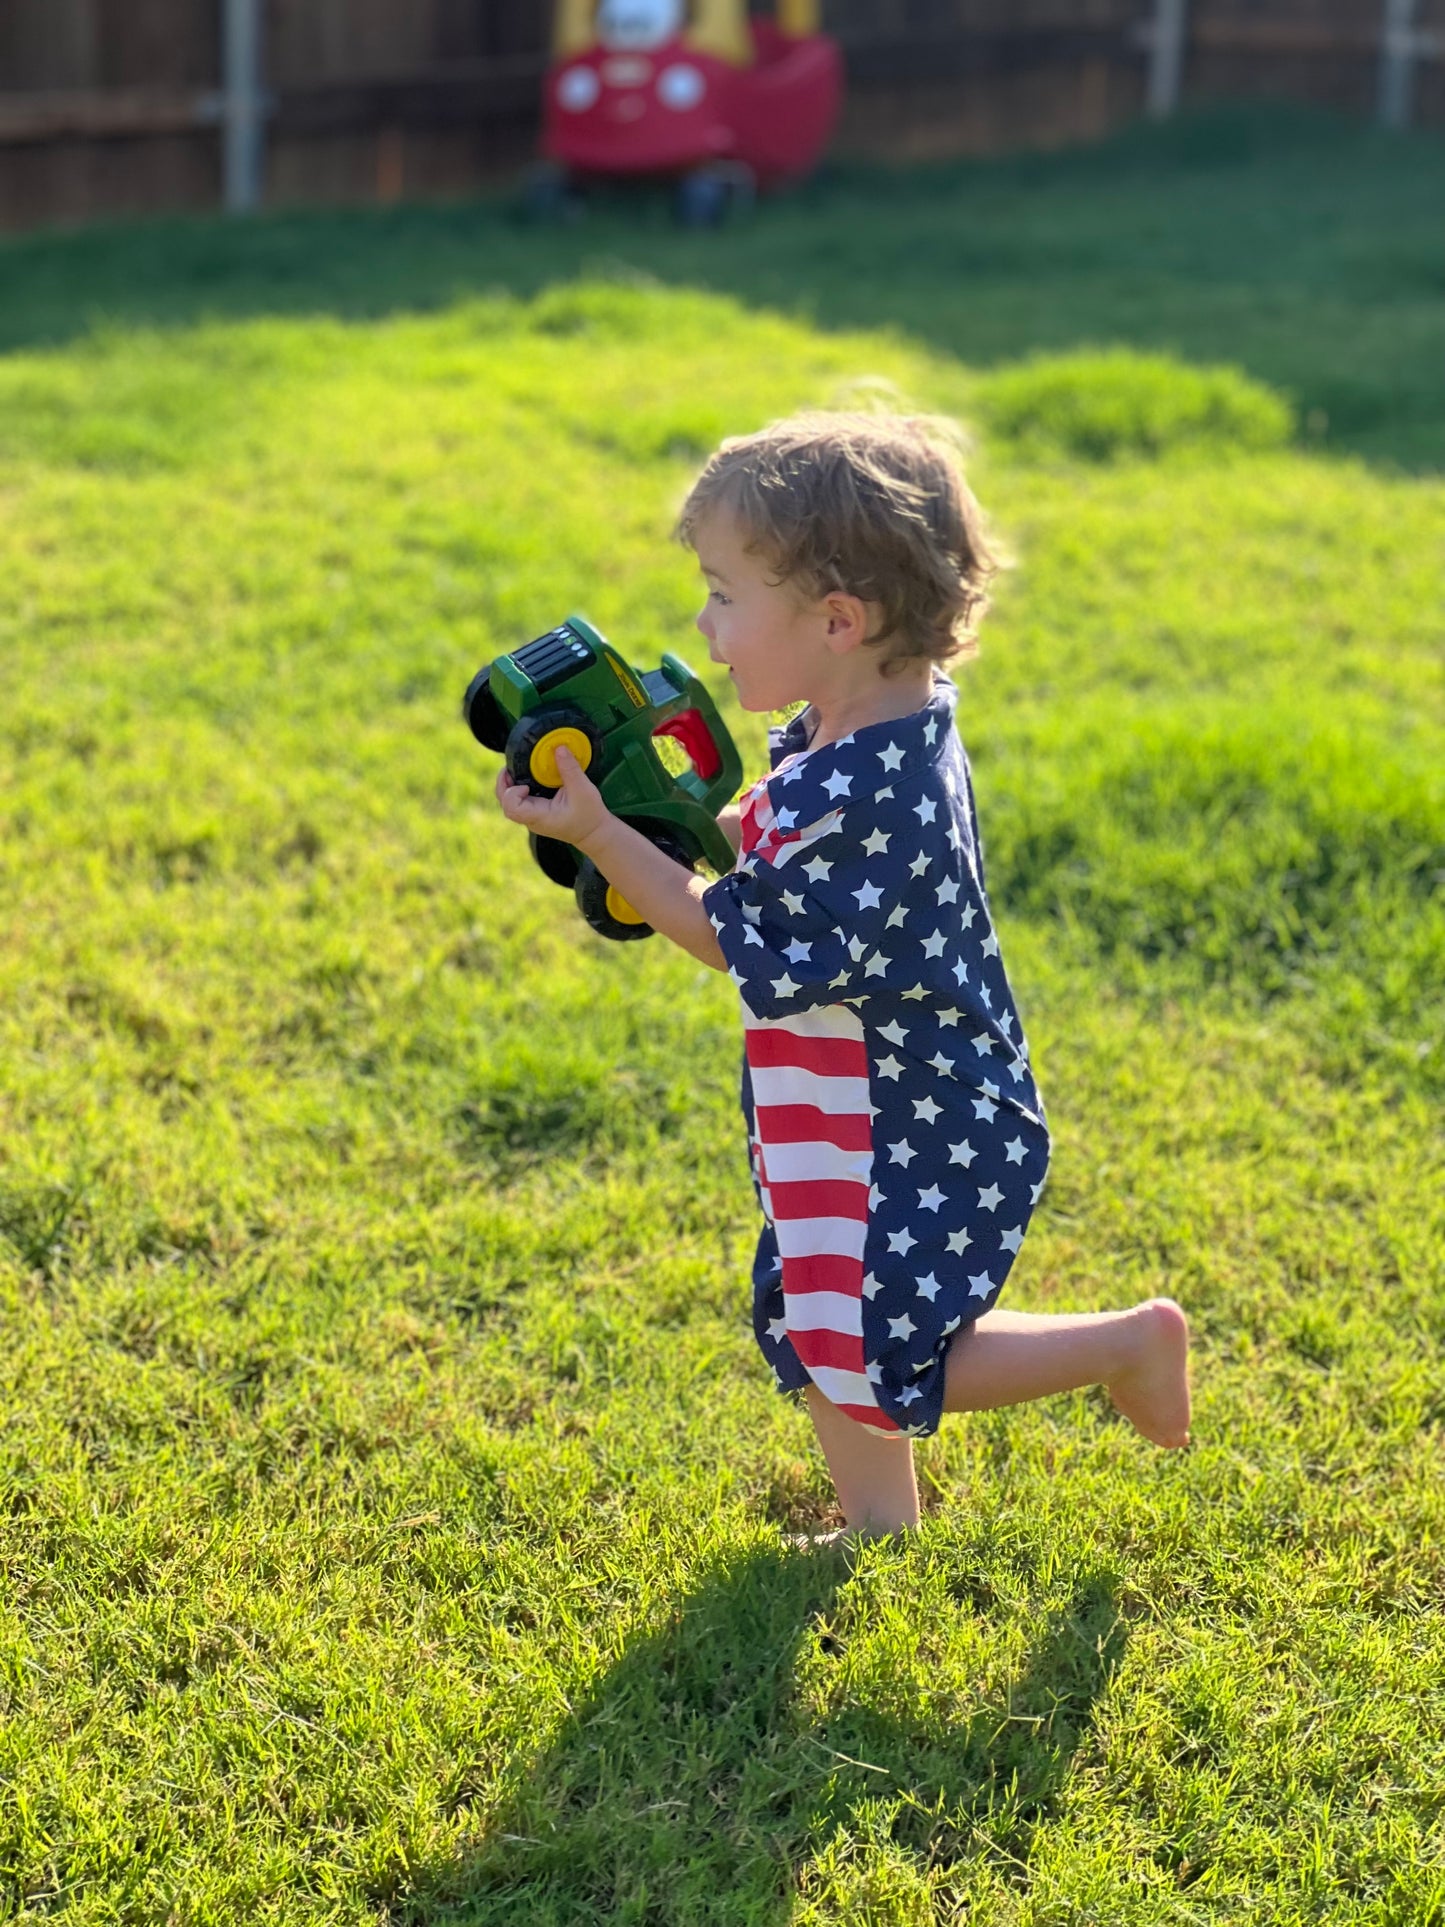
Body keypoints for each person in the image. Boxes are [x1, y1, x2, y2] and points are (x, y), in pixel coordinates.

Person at [494, 411, 1190, 1537]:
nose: (703, 625)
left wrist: (601, 837)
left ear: (835, 619)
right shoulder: (851, 730)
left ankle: (1123, 1343)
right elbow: (754, 846)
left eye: (723, 596)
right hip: (845, 1106)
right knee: (820, 1315)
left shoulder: (876, 798)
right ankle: (879, 1525)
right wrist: (641, 818)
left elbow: (731, 930)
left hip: (915, 1122)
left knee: (872, 1349)